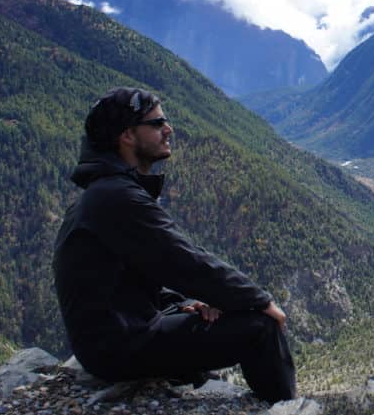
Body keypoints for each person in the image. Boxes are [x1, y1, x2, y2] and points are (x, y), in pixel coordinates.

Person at [52, 87, 296, 402]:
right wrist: (259, 299)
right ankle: (286, 408)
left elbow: (136, 271)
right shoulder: (116, 196)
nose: (169, 129)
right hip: (118, 347)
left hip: (115, 336)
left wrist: (181, 302)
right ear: (127, 135)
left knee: (214, 315)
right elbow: (183, 260)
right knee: (261, 327)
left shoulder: (105, 192)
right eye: (157, 123)